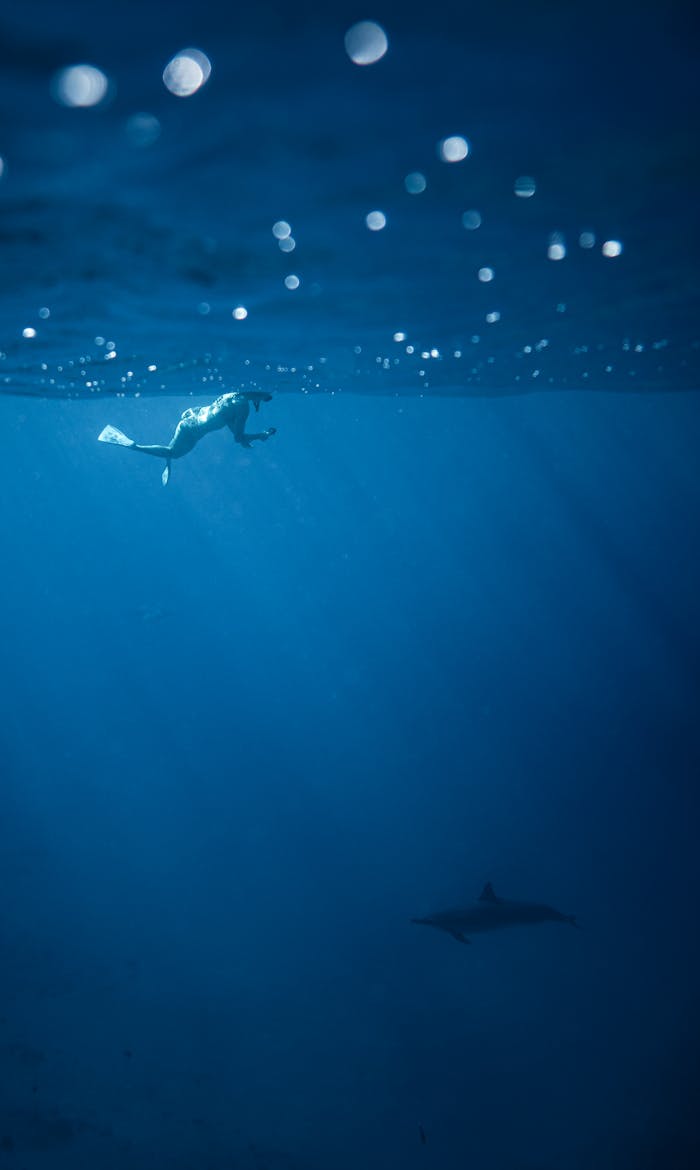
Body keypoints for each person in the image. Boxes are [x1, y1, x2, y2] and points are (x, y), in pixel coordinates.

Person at [98, 391, 276, 485]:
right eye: (265, 399)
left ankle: (165, 459)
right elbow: (238, 438)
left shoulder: (231, 395)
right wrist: (260, 436)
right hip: (193, 431)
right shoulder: (244, 408)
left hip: (189, 421)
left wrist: (250, 438)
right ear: (258, 399)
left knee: (172, 452)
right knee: (173, 453)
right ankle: (133, 445)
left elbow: (227, 421)